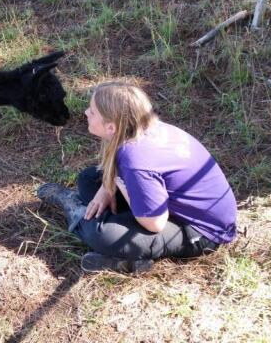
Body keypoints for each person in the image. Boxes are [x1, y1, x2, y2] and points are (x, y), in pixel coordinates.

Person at [38, 80, 237, 273]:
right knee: (89, 179)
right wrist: (107, 187)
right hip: (171, 205)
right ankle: (122, 247)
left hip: (202, 231)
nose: (86, 113)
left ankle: (76, 209)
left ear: (111, 127)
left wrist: (119, 181)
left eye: (92, 111)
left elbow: (155, 223)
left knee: (99, 232)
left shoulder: (136, 159)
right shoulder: (143, 128)